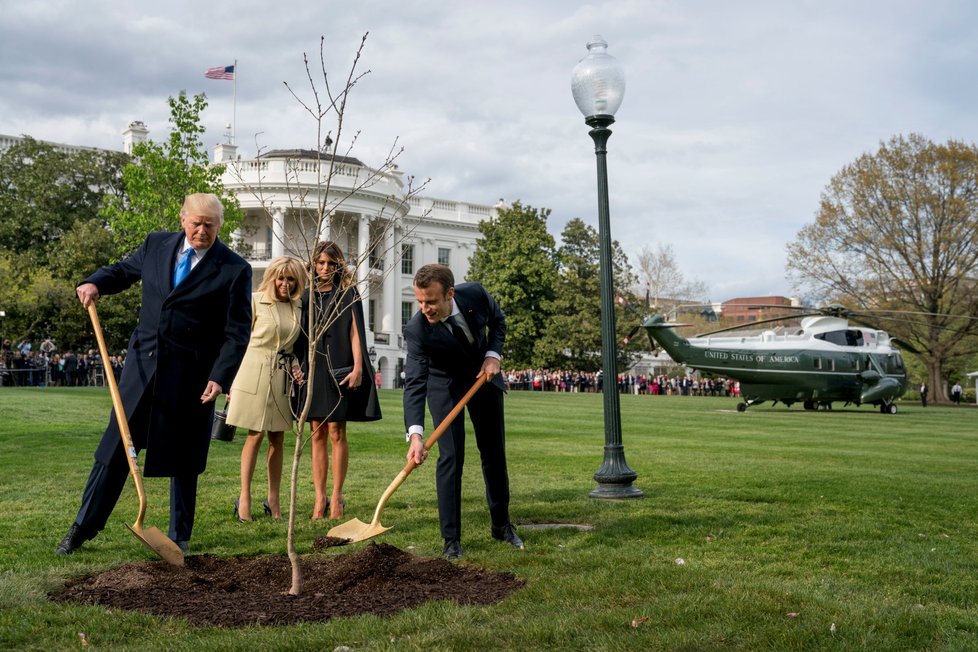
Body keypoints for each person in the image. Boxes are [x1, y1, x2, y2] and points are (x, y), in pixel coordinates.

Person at [55, 193, 252, 555]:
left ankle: (179, 536)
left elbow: (237, 332)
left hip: (191, 379)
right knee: (114, 451)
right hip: (142, 369)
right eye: (196, 223)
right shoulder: (156, 244)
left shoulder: (235, 269)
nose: (202, 231)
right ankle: (82, 528)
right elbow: (122, 271)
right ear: (183, 220)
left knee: (185, 457)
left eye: (210, 225)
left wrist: (220, 376)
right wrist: (95, 282)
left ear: (220, 226)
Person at [404, 263, 523, 561]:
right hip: (444, 385)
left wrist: (492, 355)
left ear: (450, 294)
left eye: (430, 301)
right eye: (419, 301)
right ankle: (451, 540)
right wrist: (415, 435)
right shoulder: (417, 329)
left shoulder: (476, 295)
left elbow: (499, 322)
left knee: (494, 453)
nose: (424, 308)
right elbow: (416, 383)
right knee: (451, 457)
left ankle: (501, 525)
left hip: (483, 377)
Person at [293, 241, 381, 520]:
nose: (325, 268)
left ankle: (337, 496)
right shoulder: (305, 296)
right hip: (313, 368)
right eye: (320, 263)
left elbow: (356, 333)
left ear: (338, 265)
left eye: (331, 263)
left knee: (336, 432)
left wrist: (358, 368)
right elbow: (297, 336)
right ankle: (319, 499)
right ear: (313, 264)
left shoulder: (348, 294)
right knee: (316, 431)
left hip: (340, 367)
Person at [226, 256, 306, 521]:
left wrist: (295, 366)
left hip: (282, 374)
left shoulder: (299, 306)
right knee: (255, 434)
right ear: (272, 277)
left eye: (291, 278)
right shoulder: (254, 300)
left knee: (278, 437)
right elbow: (238, 340)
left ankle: (273, 499)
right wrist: (229, 378)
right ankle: (244, 497)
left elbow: (292, 346)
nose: (285, 283)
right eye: (281, 278)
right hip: (252, 370)